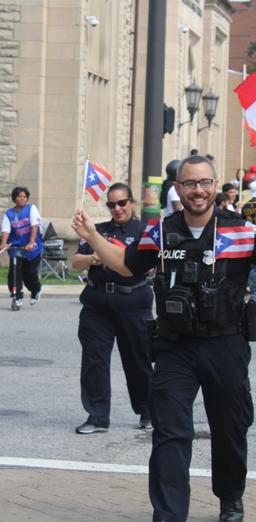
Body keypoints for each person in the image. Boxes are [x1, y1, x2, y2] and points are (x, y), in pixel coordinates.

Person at [71, 155, 256, 522]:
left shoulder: (242, 230)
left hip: (226, 343)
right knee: (169, 429)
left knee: (229, 427)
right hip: (175, 346)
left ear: (215, 185)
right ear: (177, 188)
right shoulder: (161, 231)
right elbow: (128, 266)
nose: (198, 190)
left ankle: (230, 496)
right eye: (190, 183)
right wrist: (93, 235)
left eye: (205, 183)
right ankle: (168, 518)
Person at [72, 182, 154, 434]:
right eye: (111, 204)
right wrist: (92, 257)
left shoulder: (143, 231)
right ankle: (97, 417)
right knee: (94, 360)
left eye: (122, 202)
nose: (117, 208)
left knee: (137, 360)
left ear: (131, 202)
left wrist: (110, 252)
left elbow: (148, 267)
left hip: (132, 302)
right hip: (97, 303)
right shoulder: (97, 230)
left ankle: (148, 411)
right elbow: (75, 262)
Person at [1, 186, 44, 309]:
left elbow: (34, 226)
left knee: (29, 274)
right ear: (14, 199)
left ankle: (36, 289)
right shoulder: (9, 214)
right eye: (19, 196)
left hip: (33, 248)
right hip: (16, 248)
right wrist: (4, 243)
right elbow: (6, 229)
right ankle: (17, 296)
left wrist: (31, 243)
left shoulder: (31, 209)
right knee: (14, 274)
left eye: (24, 197)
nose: (22, 199)